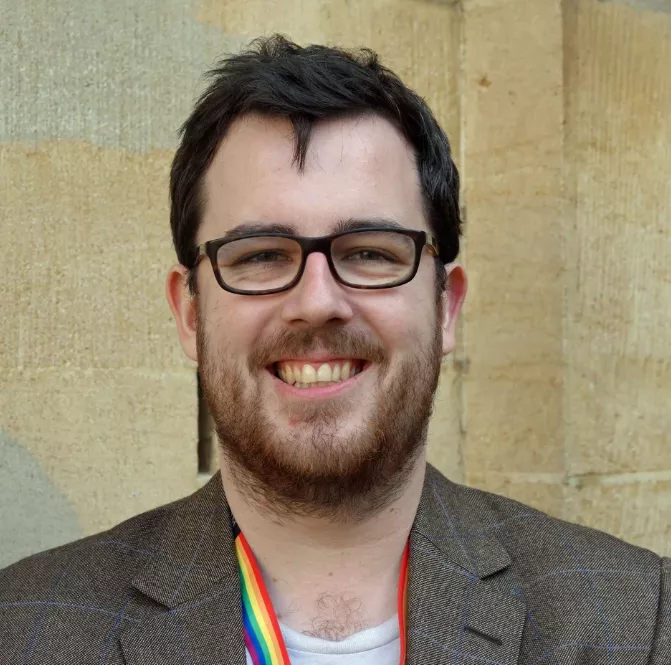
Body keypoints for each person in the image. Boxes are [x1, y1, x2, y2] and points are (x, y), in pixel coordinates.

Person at [0, 34, 668, 665]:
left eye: (370, 253)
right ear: (189, 312)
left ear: (445, 307)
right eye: (260, 255)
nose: (317, 299)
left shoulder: (636, 622)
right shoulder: (26, 630)